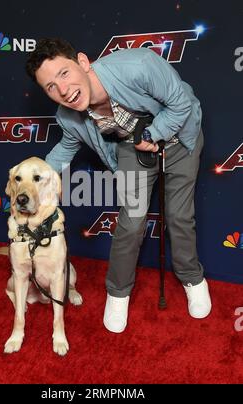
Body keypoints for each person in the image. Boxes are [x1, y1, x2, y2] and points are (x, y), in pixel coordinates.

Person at [25, 38, 212, 333]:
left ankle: (191, 276)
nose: (63, 90)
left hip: (180, 138)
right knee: (131, 221)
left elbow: (181, 103)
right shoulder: (68, 116)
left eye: (64, 73)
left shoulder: (138, 66)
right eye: (50, 87)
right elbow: (67, 147)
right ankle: (118, 292)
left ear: (83, 63)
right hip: (132, 148)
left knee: (178, 215)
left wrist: (154, 133)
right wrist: (33, 178)